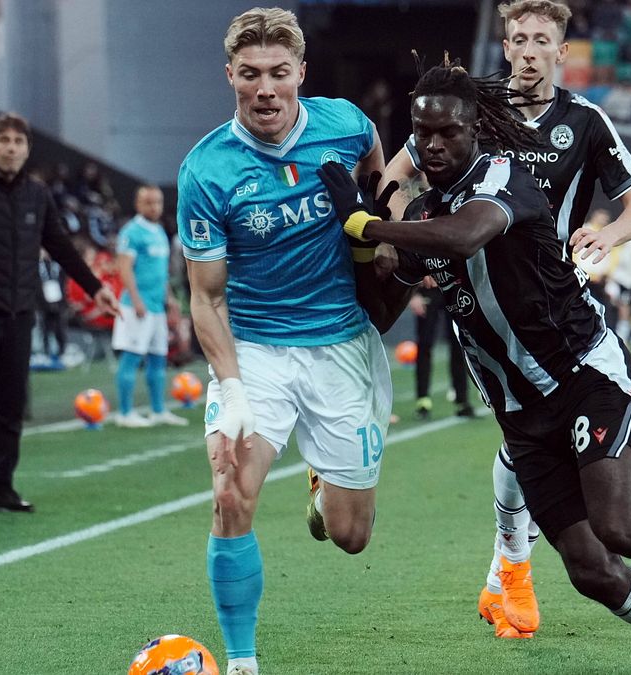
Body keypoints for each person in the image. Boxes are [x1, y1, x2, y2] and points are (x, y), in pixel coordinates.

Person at [320, 59, 631, 675]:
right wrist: (363, 245)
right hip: (520, 415)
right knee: (592, 571)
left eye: (447, 131)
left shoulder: (503, 179)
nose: (432, 145)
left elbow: (464, 237)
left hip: (584, 374)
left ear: (476, 129)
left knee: (621, 527)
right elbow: (381, 308)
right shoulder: (426, 214)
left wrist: (367, 221)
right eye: (422, 132)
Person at [381, 0, 631, 640]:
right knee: (520, 432)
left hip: (554, 303)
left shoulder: (585, 121)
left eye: (541, 40)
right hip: (482, 294)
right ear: (505, 47)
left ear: (562, 51)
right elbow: (396, 173)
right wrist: (408, 242)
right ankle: (510, 566)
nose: (529, 50)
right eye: (518, 38)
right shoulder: (470, 114)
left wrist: (607, 234)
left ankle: (509, 567)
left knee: (528, 436)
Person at [176, 9, 391, 675]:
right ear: (230, 76)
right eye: (250, 74)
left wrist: (382, 224)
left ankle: (323, 486)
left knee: (351, 535)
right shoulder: (206, 170)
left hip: (341, 347)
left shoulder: (345, 125)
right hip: (256, 351)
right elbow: (206, 297)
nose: (265, 89)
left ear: (301, 72)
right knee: (229, 490)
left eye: (278, 73)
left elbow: (381, 173)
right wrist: (232, 388)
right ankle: (242, 660)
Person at [0, 113, 119, 516]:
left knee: (11, 405)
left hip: (18, 314)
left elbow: (60, 245)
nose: (11, 148)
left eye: (18, 142)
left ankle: (2, 488)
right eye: (4, 140)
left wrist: (96, 288)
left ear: (27, 149)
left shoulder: (37, 193)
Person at [111, 185, 187, 427]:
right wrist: (136, 299)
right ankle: (125, 413)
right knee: (132, 357)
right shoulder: (131, 232)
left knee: (158, 358)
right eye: (149, 202)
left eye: (158, 202)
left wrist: (170, 299)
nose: (154, 207)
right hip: (137, 306)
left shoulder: (159, 231)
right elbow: (124, 268)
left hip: (156, 307)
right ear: (138, 204)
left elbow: (160, 272)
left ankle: (158, 410)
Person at [409, 281, 473, 419]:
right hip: (427, 289)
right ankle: (423, 401)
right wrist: (413, 294)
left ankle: (462, 401)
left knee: (459, 343)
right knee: (425, 343)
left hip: (452, 288)